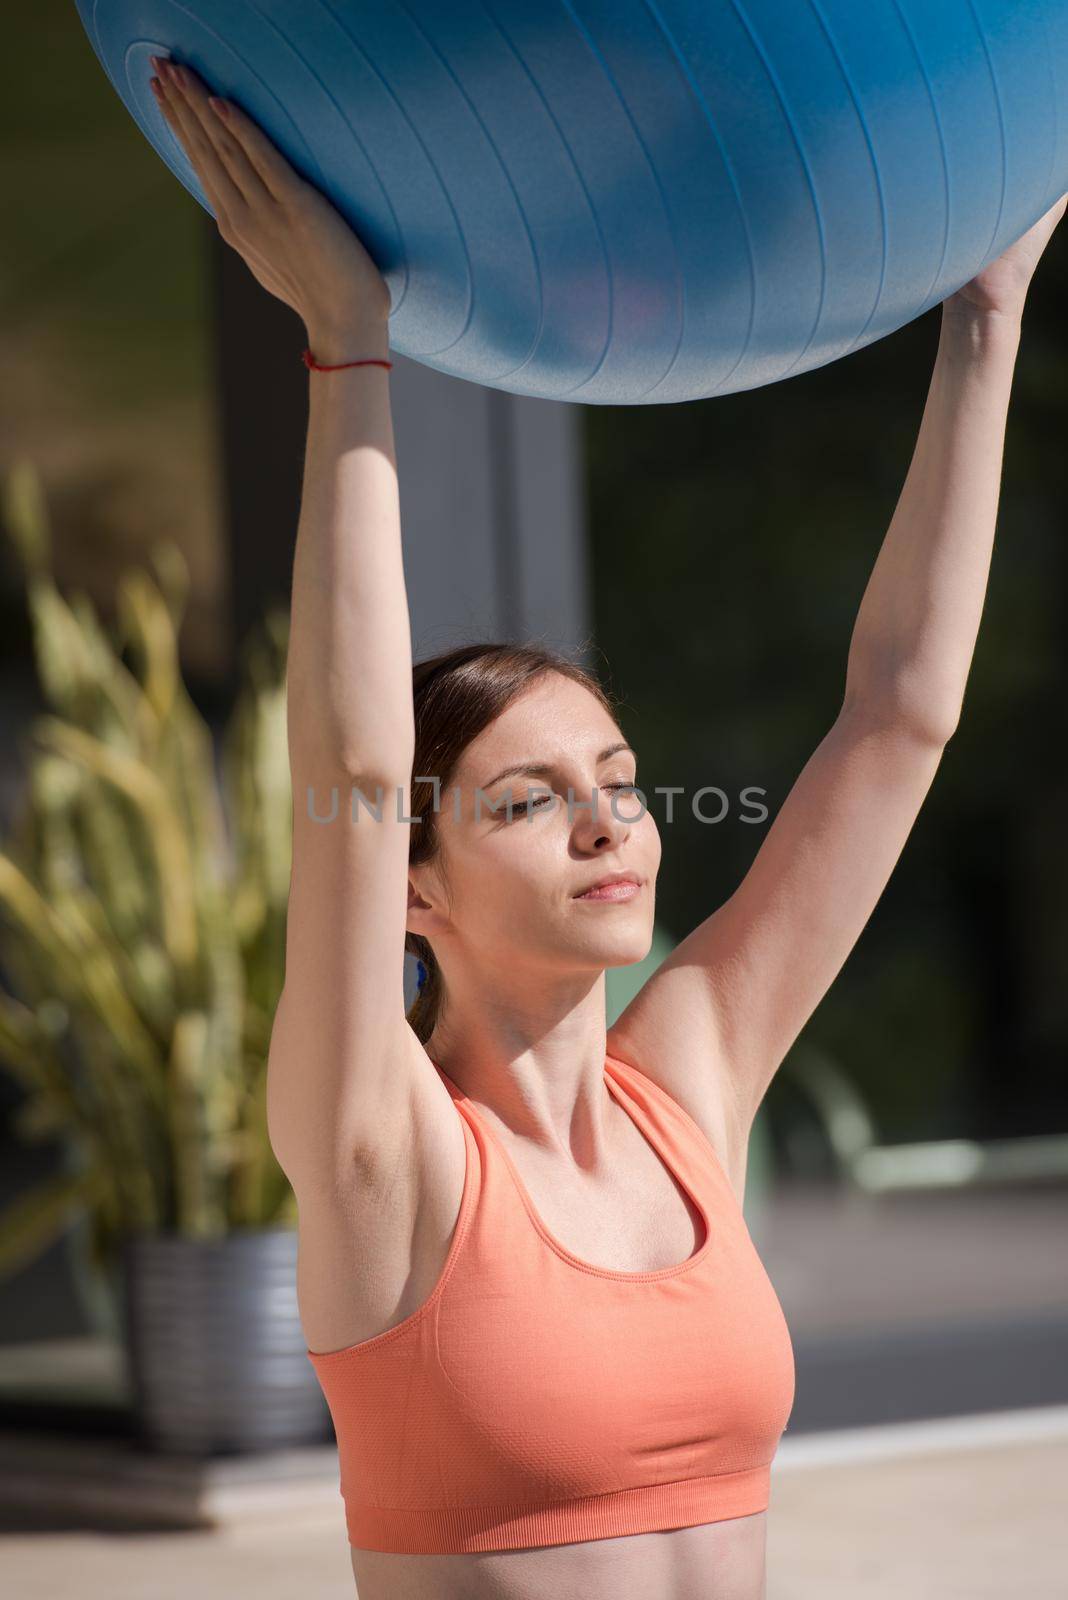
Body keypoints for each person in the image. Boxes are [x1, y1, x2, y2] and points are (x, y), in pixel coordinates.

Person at [149, 56, 1064, 1600]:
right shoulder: (384, 1154)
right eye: (527, 799)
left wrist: (985, 318)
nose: (608, 824)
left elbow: (901, 716)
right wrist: (344, 353)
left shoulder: (687, 1085)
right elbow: (361, 769)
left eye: (621, 779)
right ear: (415, 890)